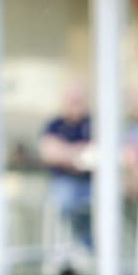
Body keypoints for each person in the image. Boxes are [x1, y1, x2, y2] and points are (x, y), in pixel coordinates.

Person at [39, 82, 93, 249]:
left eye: (78, 99)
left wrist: (65, 152)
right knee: (66, 199)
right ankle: (74, 249)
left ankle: (87, 249)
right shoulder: (55, 125)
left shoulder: (93, 124)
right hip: (63, 182)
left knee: (102, 204)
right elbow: (49, 154)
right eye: (72, 99)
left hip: (90, 183)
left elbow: (96, 154)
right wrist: (78, 154)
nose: (75, 103)